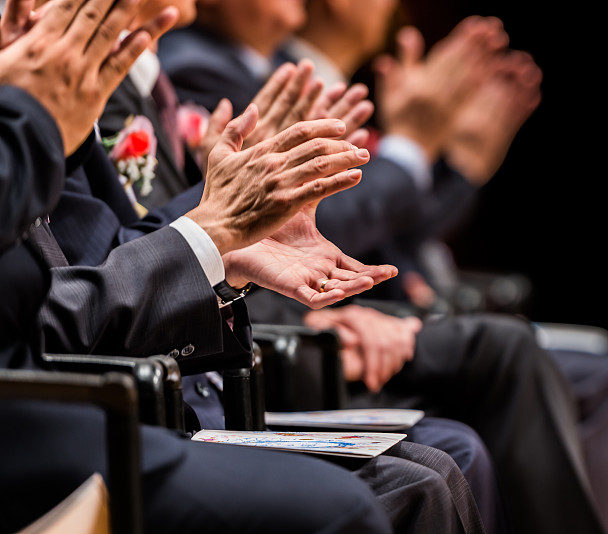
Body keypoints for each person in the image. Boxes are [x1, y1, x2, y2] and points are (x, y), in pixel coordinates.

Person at [0, 2, 488, 533]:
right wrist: (220, 226)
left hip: (155, 384)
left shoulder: (104, 87)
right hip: (74, 419)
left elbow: (100, 257)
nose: (26, 15)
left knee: (444, 457)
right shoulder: (181, 69)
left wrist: (227, 242)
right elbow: (75, 287)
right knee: (421, 460)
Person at [158, 3, 608, 534]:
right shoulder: (198, 66)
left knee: (530, 385)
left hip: (294, 320)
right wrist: (416, 148)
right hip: (247, 348)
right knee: (489, 376)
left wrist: (455, 165)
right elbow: (228, 236)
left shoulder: (257, 71)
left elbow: (356, 233)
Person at [278, 3, 608, 534]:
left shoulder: (322, 81)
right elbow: (310, 229)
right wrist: (414, 151)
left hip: (366, 312)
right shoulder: (228, 72)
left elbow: (391, 229)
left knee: (598, 371)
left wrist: (457, 166)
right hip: (304, 333)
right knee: (502, 361)